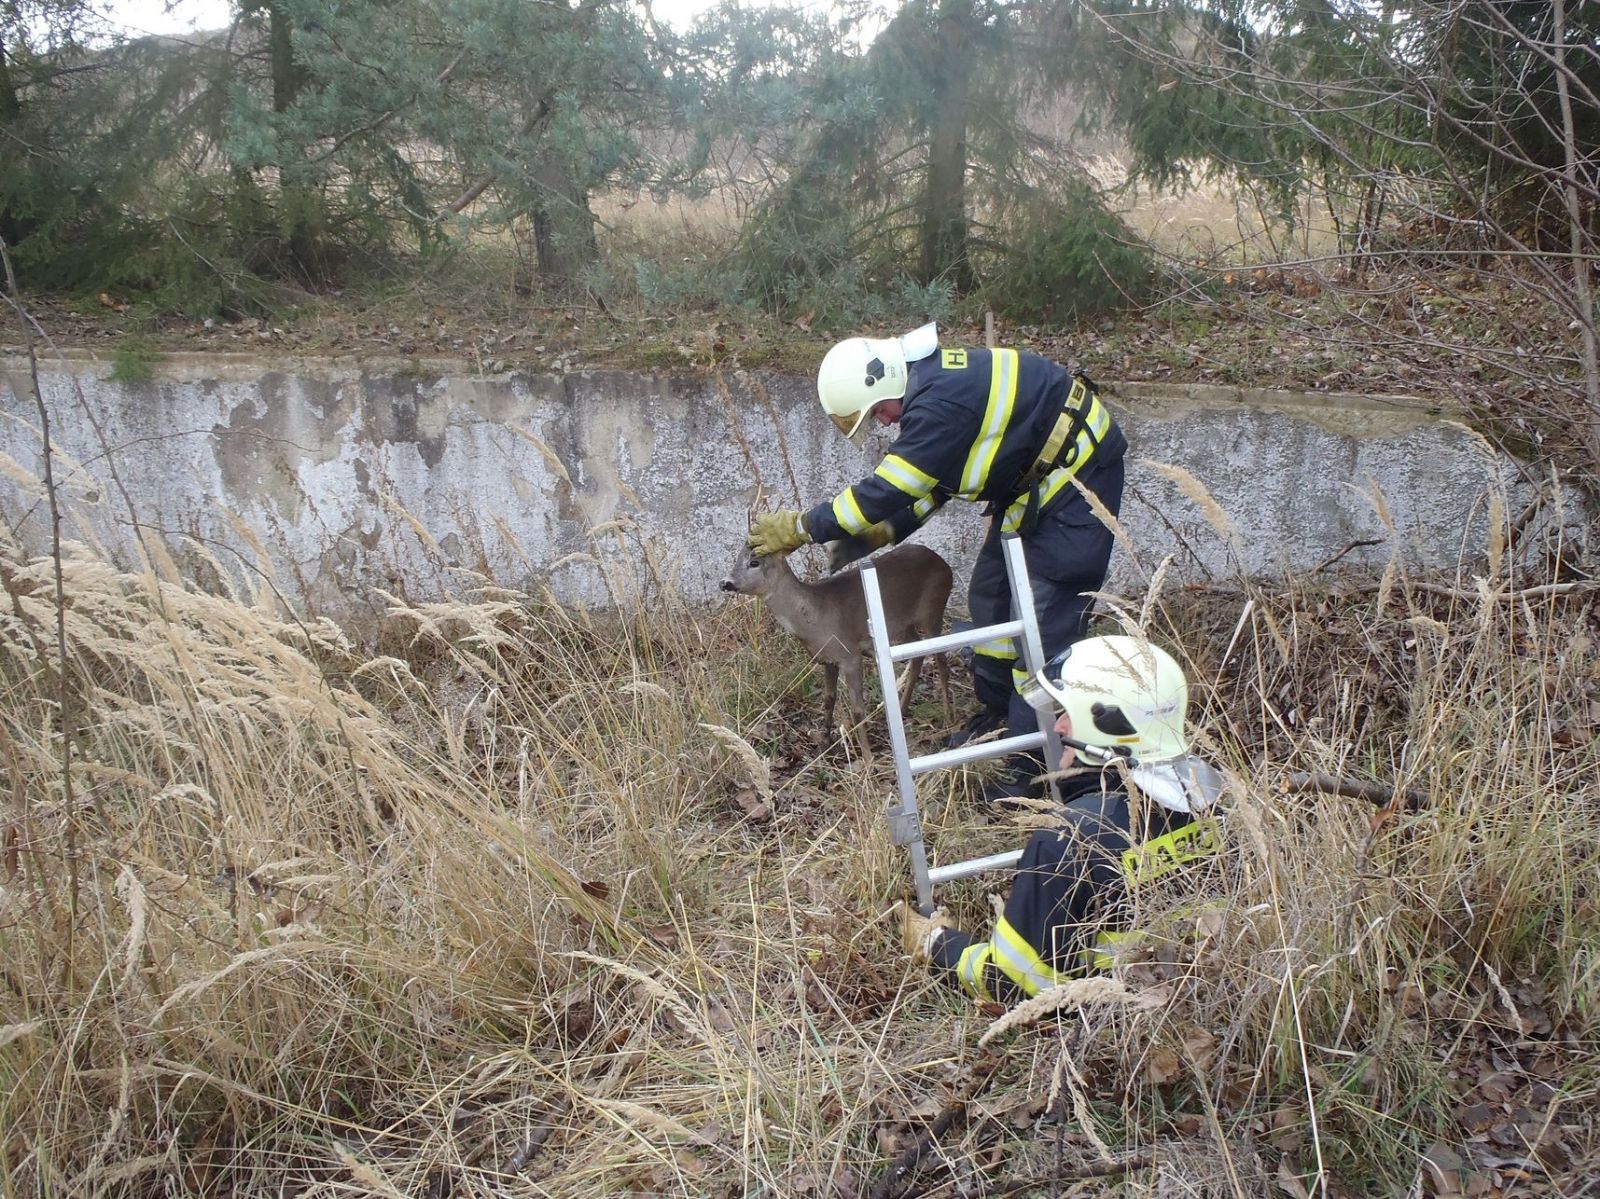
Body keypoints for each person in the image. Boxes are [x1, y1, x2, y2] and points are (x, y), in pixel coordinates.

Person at [747, 323, 1127, 801]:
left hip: (1076, 488)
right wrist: (869, 538)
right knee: (990, 597)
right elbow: (928, 491)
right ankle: (999, 715)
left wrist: (805, 527)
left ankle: (1033, 767)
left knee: (1041, 627)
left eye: (878, 412)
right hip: (1030, 490)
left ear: (884, 383)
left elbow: (890, 488)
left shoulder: (939, 403)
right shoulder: (933, 392)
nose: (883, 423)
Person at [897, 635, 1224, 1003]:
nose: (1058, 727)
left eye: (1069, 712)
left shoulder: (1067, 840)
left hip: (1101, 1023)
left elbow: (1014, 984)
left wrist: (937, 943)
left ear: (1108, 722)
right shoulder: (1215, 800)